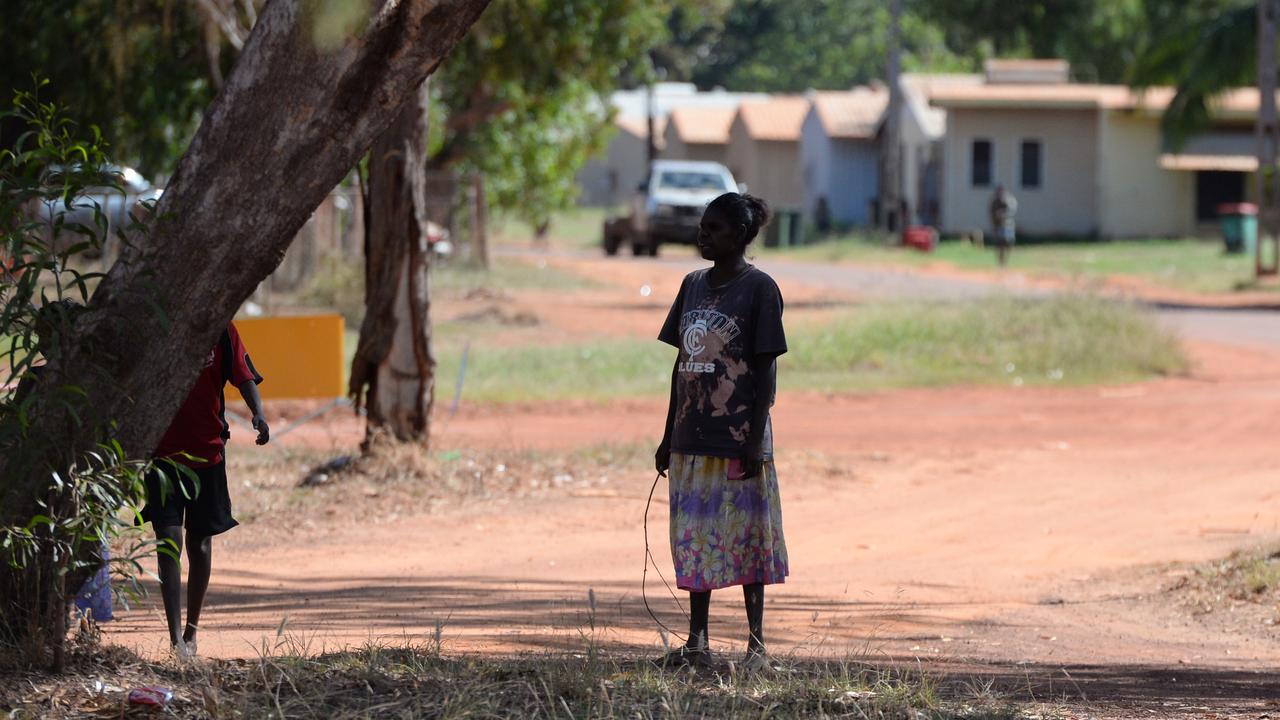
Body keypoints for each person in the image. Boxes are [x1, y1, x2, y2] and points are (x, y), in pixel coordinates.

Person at [655, 192, 789, 672]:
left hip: (738, 439)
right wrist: (668, 435)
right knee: (696, 541)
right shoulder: (692, 285)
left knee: (749, 538)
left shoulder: (760, 289)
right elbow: (681, 366)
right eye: (702, 227)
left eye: (714, 229)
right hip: (691, 438)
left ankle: (757, 647)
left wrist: (754, 439)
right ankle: (697, 643)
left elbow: (766, 369)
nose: (703, 236)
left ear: (741, 235)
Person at [141, 322, 269, 658]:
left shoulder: (221, 330)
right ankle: (175, 640)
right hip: (162, 456)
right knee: (168, 540)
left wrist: (258, 414)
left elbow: (244, 375)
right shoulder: (158, 326)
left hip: (207, 453)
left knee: (199, 543)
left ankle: (191, 631)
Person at [989, 184, 1018, 266]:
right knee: (999, 244)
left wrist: (1002, 214)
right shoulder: (994, 202)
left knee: (1009, 243)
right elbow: (992, 214)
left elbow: (1012, 211)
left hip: (1008, 226)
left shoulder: (1009, 200)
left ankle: (1006, 260)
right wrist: (994, 224)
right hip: (998, 226)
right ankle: (1000, 261)